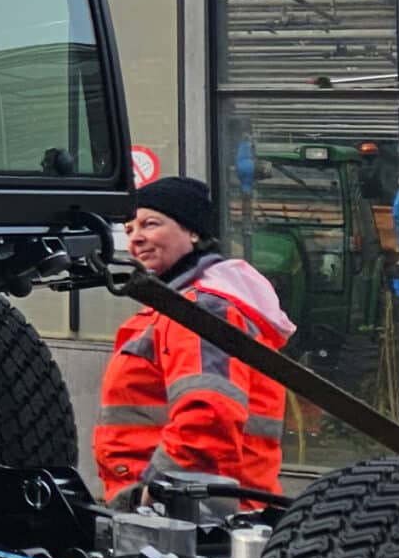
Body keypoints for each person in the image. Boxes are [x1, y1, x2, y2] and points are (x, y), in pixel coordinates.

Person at [93, 176, 294, 505]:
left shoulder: (200, 310)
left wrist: (151, 496)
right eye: (129, 229)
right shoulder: (182, 308)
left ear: (193, 232)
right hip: (199, 511)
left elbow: (208, 416)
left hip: (194, 519)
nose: (136, 239)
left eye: (150, 224)